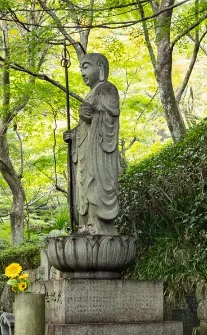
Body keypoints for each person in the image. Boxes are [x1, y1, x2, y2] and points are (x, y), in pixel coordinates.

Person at [62, 53, 121, 235]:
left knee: (94, 184)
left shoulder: (107, 89)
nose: (82, 72)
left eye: (86, 67)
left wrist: (93, 116)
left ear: (100, 67)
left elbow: (110, 120)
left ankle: (97, 226)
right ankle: (86, 224)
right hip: (85, 154)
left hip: (97, 156)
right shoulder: (90, 94)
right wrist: (74, 135)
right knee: (83, 188)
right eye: (80, 68)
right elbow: (84, 129)